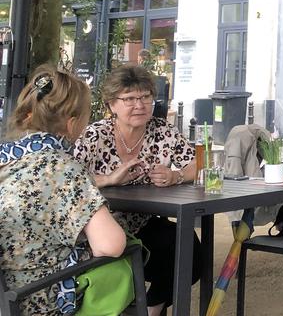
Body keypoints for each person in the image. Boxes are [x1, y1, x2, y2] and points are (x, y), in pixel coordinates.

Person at [73, 64, 201, 316]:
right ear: (111, 105)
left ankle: (151, 308)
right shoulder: (95, 135)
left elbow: (199, 164)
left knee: (188, 250)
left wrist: (176, 175)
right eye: (129, 99)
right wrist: (110, 178)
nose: (139, 105)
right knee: (168, 254)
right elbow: (70, 180)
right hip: (101, 226)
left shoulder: (161, 130)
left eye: (145, 97)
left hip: (142, 221)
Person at [0, 66, 126, 316]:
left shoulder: (5, 159)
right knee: (126, 260)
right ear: (71, 124)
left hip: (4, 299)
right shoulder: (63, 168)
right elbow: (110, 245)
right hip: (36, 300)